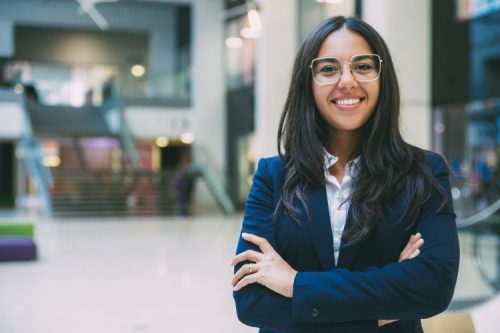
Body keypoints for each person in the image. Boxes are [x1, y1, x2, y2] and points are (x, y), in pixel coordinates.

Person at [231, 16, 459, 333]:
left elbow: (433, 286)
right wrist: (384, 301)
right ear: (307, 83)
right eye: (328, 69)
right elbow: (252, 301)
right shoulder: (274, 176)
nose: (347, 80)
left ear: (382, 78)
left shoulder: (422, 172)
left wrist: (294, 283)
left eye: (363, 66)